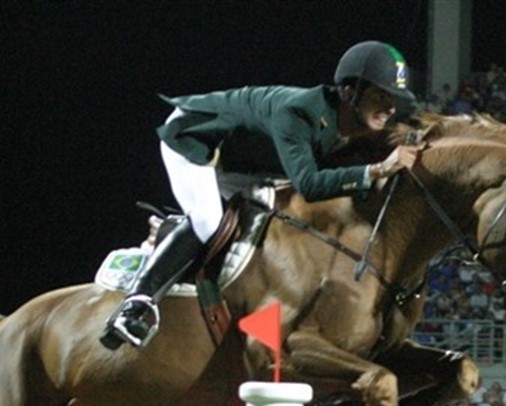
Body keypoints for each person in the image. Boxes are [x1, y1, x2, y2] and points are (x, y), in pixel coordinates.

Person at [102, 40, 421, 349]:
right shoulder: (299, 112)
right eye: (380, 95)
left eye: (392, 98)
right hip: (197, 138)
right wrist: (378, 170)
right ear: (350, 92)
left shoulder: (351, 123)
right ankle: (136, 305)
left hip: (245, 161)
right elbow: (310, 184)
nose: (390, 107)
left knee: (271, 217)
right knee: (209, 219)